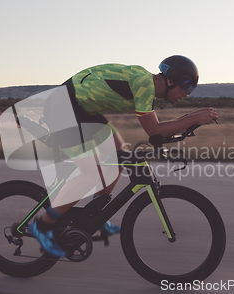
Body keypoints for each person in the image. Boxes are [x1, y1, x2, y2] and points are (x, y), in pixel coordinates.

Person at [28, 55, 219, 256]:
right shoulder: (145, 84)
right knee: (91, 174)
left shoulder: (148, 85)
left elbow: (159, 133)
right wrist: (192, 118)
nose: (187, 95)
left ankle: (93, 217)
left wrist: (190, 122)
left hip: (82, 111)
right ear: (171, 81)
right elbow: (154, 131)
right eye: (186, 88)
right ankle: (42, 226)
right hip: (63, 108)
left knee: (121, 157)